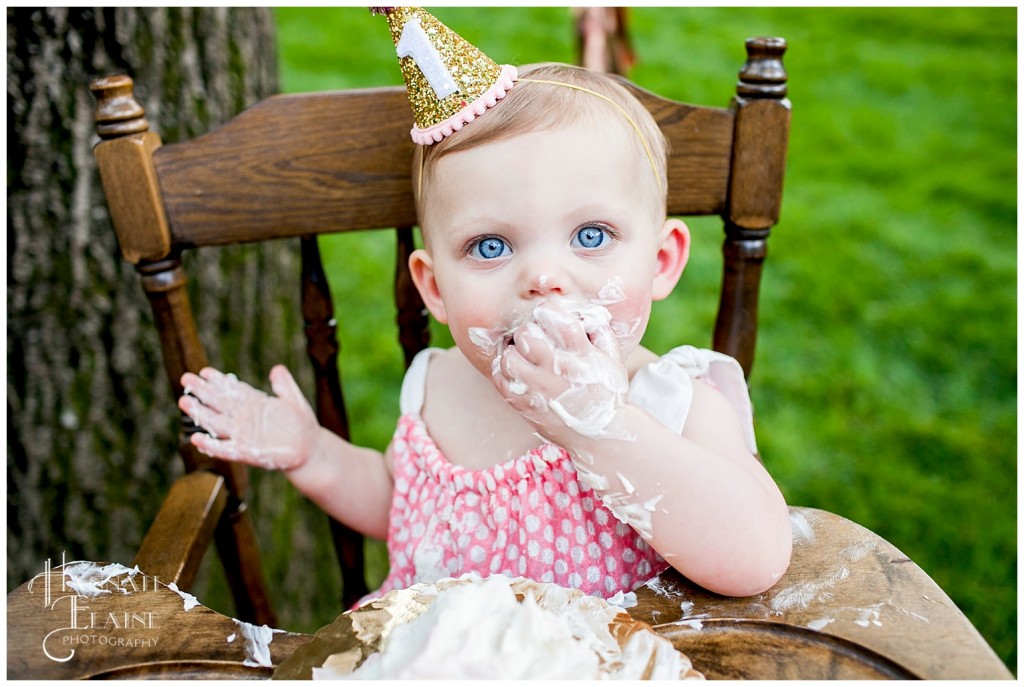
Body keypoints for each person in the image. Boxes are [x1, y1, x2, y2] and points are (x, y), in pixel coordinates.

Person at [177, 7, 792, 605]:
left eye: (591, 236)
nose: (544, 277)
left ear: (661, 262)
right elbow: (400, 507)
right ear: (435, 288)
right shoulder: (434, 386)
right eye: (490, 246)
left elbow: (755, 557)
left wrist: (604, 426)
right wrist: (313, 453)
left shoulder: (670, 400)